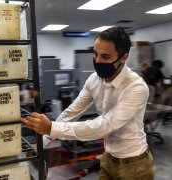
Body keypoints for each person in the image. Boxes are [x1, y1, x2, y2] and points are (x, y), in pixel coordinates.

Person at [21, 27, 155, 179]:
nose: (97, 61)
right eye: (95, 54)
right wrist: (43, 141)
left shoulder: (136, 87)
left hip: (135, 165)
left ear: (123, 58)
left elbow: (104, 127)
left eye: (105, 57)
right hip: (108, 158)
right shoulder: (94, 80)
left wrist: (52, 128)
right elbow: (71, 113)